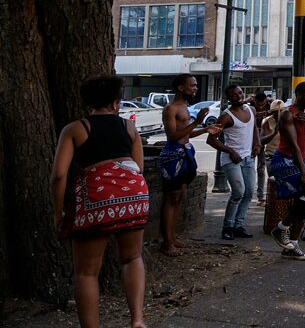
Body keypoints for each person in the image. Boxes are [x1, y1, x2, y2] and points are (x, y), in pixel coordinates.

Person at [51, 75, 151, 328]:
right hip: (134, 196)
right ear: (116, 103)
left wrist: (58, 211)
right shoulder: (129, 127)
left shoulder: (75, 129)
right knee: (132, 257)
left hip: (98, 200)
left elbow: (59, 174)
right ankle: (137, 319)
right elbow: (138, 166)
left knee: (86, 272)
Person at [159, 73, 221, 256]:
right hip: (173, 156)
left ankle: (172, 236)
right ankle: (167, 242)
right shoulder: (171, 109)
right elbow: (172, 136)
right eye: (192, 85)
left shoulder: (184, 107)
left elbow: (185, 134)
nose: (195, 88)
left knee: (178, 198)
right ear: (180, 87)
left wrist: (205, 129)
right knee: (171, 198)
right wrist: (198, 121)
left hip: (185, 154)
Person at [268, 81, 305, 260]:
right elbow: (293, 146)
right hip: (286, 160)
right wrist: (303, 173)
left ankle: (291, 245)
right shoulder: (287, 114)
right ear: (300, 95)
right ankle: (281, 230)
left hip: (299, 160)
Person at [207, 85, 261, 240]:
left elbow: (255, 128)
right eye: (234, 95)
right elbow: (211, 140)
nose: (238, 96)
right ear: (229, 98)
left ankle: (239, 225)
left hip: (248, 158)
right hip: (232, 160)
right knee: (238, 192)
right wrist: (230, 151)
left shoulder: (251, 110)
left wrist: (257, 144)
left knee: (249, 192)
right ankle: (228, 226)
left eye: (240, 93)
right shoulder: (226, 116)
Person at [258, 99, 285, 203]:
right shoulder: (266, 121)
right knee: (273, 181)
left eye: (282, 111)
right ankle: (273, 204)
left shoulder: (288, 120)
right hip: (271, 155)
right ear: (272, 112)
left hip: (285, 155)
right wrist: (274, 133)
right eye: (277, 112)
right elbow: (261, 140)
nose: (279, 113)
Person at [252, 92, 271, 206]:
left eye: (262, 104)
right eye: (258, 104)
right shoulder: (250, 105)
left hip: (264, 141)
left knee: (261, 169)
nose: (260, 106)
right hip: (252, 141)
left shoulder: (270, 105)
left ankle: (260, 197)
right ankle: (248, 194)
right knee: (248, 167)